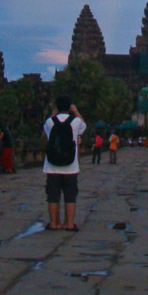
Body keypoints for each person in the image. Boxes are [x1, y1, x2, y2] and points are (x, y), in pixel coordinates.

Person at [43, 95, 87, 230]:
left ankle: (54, 223)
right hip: (71, 166)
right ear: (69, 106)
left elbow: (47, 133)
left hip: (51, 166)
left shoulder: (50, 122)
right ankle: (69, 224)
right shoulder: (76, 122)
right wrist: (75, 110)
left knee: (52, 196)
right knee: (70, 196)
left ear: (56, 107)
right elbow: (84, 127)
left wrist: (54, 112)